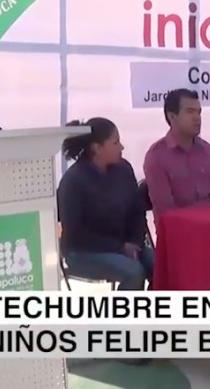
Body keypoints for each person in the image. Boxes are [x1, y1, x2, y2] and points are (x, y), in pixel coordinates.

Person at [57, 117, 152, 291]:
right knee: (133, 272)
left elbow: (137, 212)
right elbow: (76, 233)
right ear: (97, 148)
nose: (122, 147)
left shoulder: (124, 169)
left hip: (125, 244)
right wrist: (120, 248)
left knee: (162, 265)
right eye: (116, 143)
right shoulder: (74, 181)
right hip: (84, 252)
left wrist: (135, 242)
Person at [143, 89, 210, 226]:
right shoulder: (157, 156)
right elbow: (164, 210)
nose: (197, 117)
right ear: (172, 116)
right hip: (181, 232)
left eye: (199, 112)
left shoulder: (206, 150)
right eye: (190, 112)